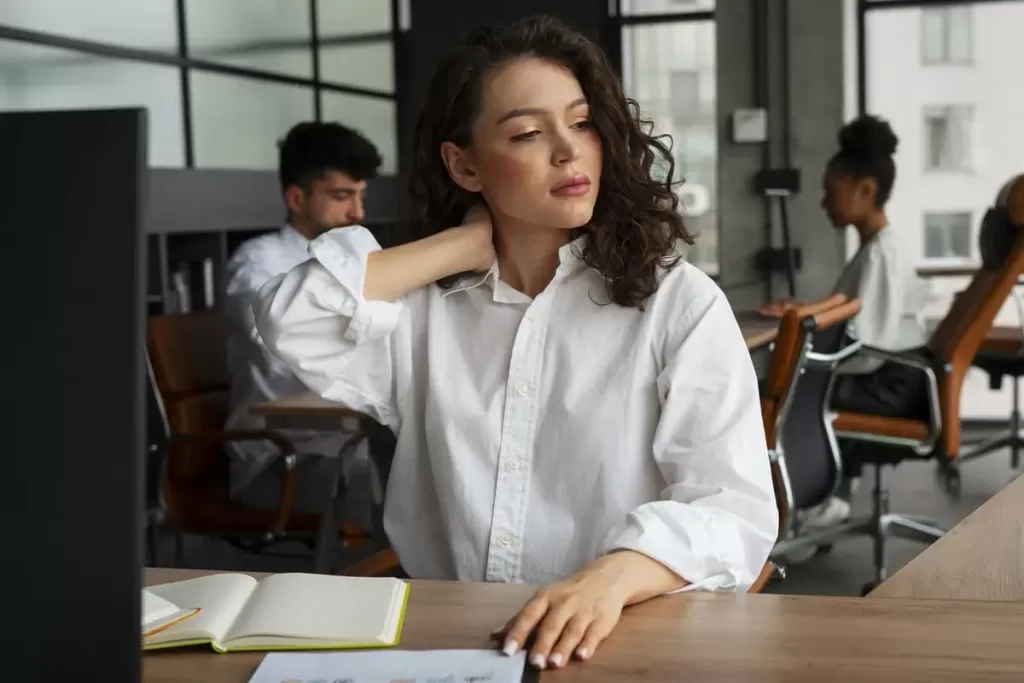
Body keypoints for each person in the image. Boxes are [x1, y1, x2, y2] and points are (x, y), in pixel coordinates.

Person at [255, 16, 776, 670]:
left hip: (616, 642)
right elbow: (288, 316)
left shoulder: (678, 302)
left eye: (582, 122)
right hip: (452, 647)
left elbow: (734, 511)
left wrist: (611, 577)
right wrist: (463, 245)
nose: (569, 151)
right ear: (464, 164)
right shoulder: (421, 312)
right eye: (529, 133)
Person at [761, 116, 923, 538]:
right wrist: (804, 310)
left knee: (785, 393)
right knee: (786, 384)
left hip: (889, 383)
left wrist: (802, 345)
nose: (823, 201)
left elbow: (867, 342)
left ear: (865, 190)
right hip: (888, 376)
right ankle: (816, 501)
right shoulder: (876, 250)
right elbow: (855, 313)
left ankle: (815, 503)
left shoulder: (881, 255)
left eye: (831, 190)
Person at [223, 121, 383, 517]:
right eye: (342, 196)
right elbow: (283, 340)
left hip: (349, 440)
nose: (358, 213)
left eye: (361, 196)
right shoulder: (258, 262)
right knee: (392, 485)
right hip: (280, 458)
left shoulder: (362, 260)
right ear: (297, 198)